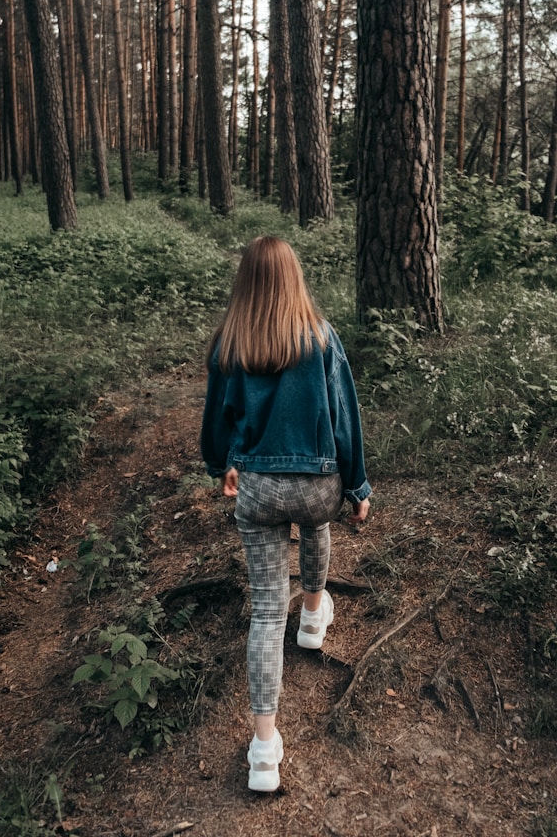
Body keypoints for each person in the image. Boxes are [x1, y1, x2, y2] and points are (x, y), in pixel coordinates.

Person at [200, 235, 371, 793]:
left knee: (267, 613)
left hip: (259, 493)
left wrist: (224, 463)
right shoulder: (322, 339)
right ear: (295, 278)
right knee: (318, 519)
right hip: (319, 486)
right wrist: (359, 485)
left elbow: (217, 425)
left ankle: (263, 752)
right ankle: (316, 617)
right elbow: (346, 419)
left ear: (245, 282)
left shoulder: (231, 344)